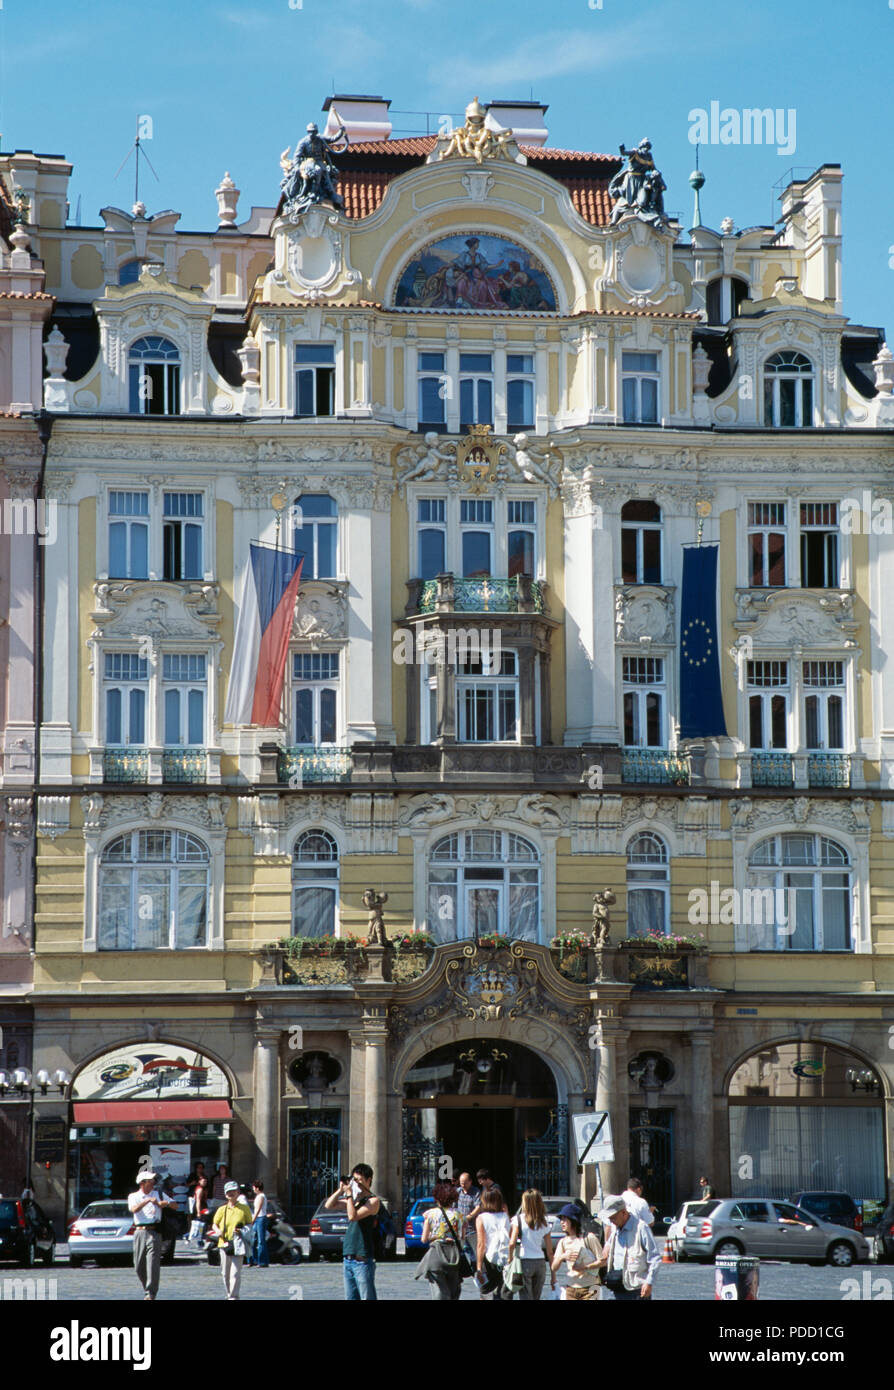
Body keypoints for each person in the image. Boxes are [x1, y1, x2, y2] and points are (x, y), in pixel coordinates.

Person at [324, 1163, 380, 1301]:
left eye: (360, 1181)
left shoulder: (373, 1201)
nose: (357, 1184)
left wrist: (349, 1196)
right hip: (348, 1258)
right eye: (355, 1180)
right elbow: (329, 1205)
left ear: (369, 1180)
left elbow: (352, 1216)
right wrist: (341, 1190)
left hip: (362, 1260)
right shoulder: (354, 1201)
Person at [599, 1194, 662, 1301]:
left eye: (613, 1217)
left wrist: (649, 1282)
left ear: (623, 1212)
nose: (611, 1220)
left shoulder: (641, 1228)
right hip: (616, 1286)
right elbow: (608, 1246)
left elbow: (655, 1258)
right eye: (609, 1218)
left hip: (636, 1289)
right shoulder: (615, 1229)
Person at [128, 1170, 176, 1301]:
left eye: (153, 1181)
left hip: (154, 1231)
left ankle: (151, 1293)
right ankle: (147, 1288)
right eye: (150, 1181)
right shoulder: (133, 1196)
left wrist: (163, 1203)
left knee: (153, 1263)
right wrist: (147, 1201)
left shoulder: (158, 1194)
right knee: (138, 1265)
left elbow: (175, 1205)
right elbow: (133, 1209)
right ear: (142, 1183)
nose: (153, 1183)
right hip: (139, 1231)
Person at [418, 1181, 466, 1301]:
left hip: (436, 1255)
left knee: (439, 1292)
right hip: (453, 1256)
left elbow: (424, 1239)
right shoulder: (459, 1215)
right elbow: (461, 1237)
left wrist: (437, 1236)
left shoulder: (431, 1214)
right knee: (453, 1291)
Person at [209, 1180, 253, 1301]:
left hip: (238, 1243)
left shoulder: (244, 1209)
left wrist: (242, 1230)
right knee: (225, 1273)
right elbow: (214, 1224)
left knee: (235, 1273)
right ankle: (229, 1294)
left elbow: (250, 1224)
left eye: (233, 1191)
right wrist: (217, 1231)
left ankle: (233, 1297)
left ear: (238, 1192)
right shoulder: (222, 1209)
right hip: (224, 1243)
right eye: (228, 1192)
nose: (231, 1193)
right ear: (225, 1194)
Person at [509, 1189, 556, 1301]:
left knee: (525, 1296)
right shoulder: (544, 1222)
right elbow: (550, 1252)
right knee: (536, 1297)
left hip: (525, 1261)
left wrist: (510, 1259)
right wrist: (554, 1277)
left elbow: (512, 1243)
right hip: (540, 1263)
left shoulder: (518, 1220)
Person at [550, 1204, 603, 1301]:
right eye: (561, 1219)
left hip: (592, 1288)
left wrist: (585, 1267)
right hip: (571, 1289)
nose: (562, 1222)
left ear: (574, 1221)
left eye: (565, 1219)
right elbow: (554, 1267)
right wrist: (563, 1256)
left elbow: (603, 1261)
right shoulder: (563, 1242)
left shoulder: (589, 1238)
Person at [475, 1186, 512, 1301]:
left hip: (489, 1259)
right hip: (504, 1259)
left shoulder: (481, 1218)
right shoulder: (505, 1216)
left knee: (486, 1293)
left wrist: (479, 1267)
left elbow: (481, 1244)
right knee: (503, 1293)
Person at [455, 1171, 480, 1263]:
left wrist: (468, 1217)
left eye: (465, 1183)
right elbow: (453, 1207)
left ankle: (477, 1272)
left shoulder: (476, 1192)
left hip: (472, 1228)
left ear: (470, 1181)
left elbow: (478, 1207)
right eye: (461, 1183)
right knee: (461, 1252)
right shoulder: (457, 1192)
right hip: (460, 1228)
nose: (463, 1185)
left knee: (475, 1252)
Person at [247, 1180, 269, 1268]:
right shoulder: (258, 1196)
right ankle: (254, 1260)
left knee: (261, 1241)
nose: (253, 1189)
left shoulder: (261, 1196)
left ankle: (263, 1261)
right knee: (253, 1240)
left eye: (253, 1187)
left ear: (257, 1188)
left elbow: (259, 1209)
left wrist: (253, 1219)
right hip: (257, 1219)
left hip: (260, 1218)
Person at [187, 1167, 209, 1245]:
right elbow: (198, 1201)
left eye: (206, 1181)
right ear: (199, 1181)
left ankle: (201, 1238)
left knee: (202, 1223)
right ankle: (199, 1239)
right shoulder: (200, 1189)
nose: (205, 1182)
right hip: (200, 1207)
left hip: (203, 1206)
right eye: (203, 1181)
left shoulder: (203, 1188)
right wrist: (199, 1212)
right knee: (200, 1223)